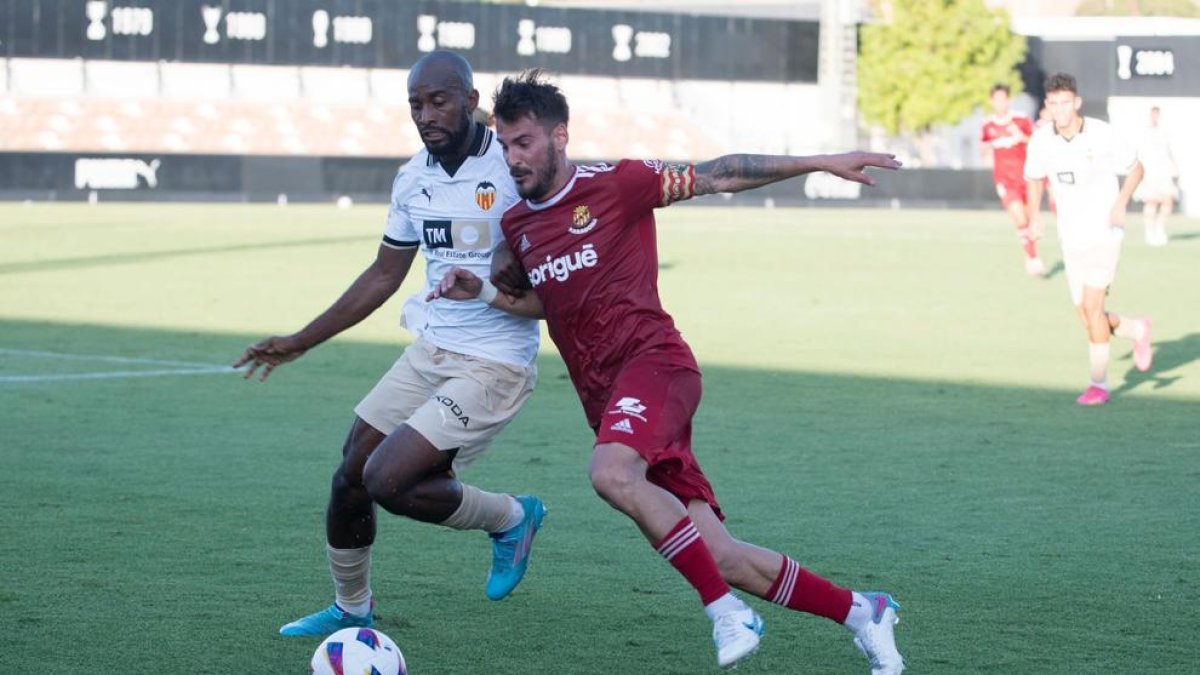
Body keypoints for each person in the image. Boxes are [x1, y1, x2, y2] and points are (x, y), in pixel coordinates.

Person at [429, 70, 905, 672]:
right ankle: (865, 611)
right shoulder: (519, 228)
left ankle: (725, 612)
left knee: (611, 473)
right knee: (723, 554)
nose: (512, 158)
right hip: (610, 402)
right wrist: (482, 293)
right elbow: (549, 304)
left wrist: (819, 160)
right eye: (504, 145)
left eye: (523, 142)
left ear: (559, 137)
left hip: (657, 366)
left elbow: (722, 173)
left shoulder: (621, 183)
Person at [233, 51, 547, 637]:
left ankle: (511, 517)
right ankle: (351, 609)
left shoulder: (512, 166)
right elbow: (384, 274)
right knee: (351, 473)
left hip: (496, 363)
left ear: (471, 101)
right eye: (415, 104)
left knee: (390, 479)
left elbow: (558, 239)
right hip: (430, 350)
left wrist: (515, 253)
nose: (425, 114)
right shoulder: (412, 178)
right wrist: (302, 340)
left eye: (438, 100)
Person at [1024, 73, 1154, 406]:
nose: (1059, 110)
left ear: (1077, 103)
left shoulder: (1102, 134)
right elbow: (1034, 179)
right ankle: (1135, 329)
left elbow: (1136, 168)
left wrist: (1120, 204)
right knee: (1086, 315)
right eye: (1053, 104)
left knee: (1093, 308)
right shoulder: (1041, 140)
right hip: (1071, 236)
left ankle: (1099, 384)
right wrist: (1035, 217)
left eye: (1065, 103)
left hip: (1105, 233)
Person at [980, 83, 1045, 276]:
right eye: (996, 99)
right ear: (991, 101)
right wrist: (987, 154)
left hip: (1025, 177)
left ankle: (1030, 252)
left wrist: (1022, 137)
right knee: (1018, 215)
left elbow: (1036, 142)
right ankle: (1033, 258)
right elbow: (983, 148)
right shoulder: (987, 125)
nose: (1000, 102)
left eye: (1003, 98)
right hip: (1004, 179)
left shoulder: (1021, 120)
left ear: (1008, 100)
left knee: (1028, 218)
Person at [1134, 106, 1179, 246]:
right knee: (1151, 201)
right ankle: (1149, 232)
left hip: (1163, 171)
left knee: (1168, 201)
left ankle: (1160, 229)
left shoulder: (1163, 132)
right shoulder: (1144, 133)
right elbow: (1138, 153)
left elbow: (1169, 150)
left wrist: (1175, 167)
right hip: (1149, 171)